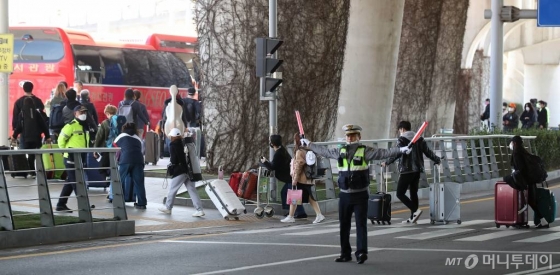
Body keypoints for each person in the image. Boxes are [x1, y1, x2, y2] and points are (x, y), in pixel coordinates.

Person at [305, 124, 409, 264]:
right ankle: (345, 254)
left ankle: (361, 253)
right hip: (344, 195)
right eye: (348, 135)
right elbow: (324, 151)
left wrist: (401, 150)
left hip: (360, 194)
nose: (350, 138)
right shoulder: (340, 150)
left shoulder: (365, 151)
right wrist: (309, 144)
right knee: (344, 225)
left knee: (361, 225)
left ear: (359, 137)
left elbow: (384, 152)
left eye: (353, 135)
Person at [382, 121, 441, 224]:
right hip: (417, 170)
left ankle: (415, 210)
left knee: (400, 193)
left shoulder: (402, 139)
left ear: (402, 129)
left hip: (406, 170)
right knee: (413, 193)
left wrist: (387, 162)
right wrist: (437, 159)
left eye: (400, 130)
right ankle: (413, 217)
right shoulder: (420, 139)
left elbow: (397, 153)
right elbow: (428, 152)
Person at [158, 128, 205, 217]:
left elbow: (174, 160)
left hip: (180, 171)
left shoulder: (173, 145)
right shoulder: (184, 143)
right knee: (192, 190)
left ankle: (168, 207)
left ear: (172, 136)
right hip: (188, 170)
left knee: (173, 189)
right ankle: (199, 209)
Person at [280, 133, 325, 224]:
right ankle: (318, 215)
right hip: (308, 179)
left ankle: (291, 216)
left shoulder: (299, 151)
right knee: (309, 197)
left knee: (294, 196)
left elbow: (299, 165)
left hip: (301, 179)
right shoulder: (308, 150)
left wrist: (295, 179)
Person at [505, 136, 549, 229]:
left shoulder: (517, 153)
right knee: (531, 201)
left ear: (515, 143)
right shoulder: (523, 151)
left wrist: (513, 176)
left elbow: (521, 169)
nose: (511, 144)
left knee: (529, 201)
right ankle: (541, 221)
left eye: (512, 142)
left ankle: (541, 221)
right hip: (530, 179)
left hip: (526, 180)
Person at [260, 135, 307, 218]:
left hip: (290, 177)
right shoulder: (282, 150)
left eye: (270, 141)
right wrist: (267, 162)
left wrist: (264, 162)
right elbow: (276, 164)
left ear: (272, 143)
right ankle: (291, 211)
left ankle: (300, 213)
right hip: (290, 176)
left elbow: (272, 167)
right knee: (285, 192)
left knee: (292, 195)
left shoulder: (278, 153)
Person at [55, 106, 91, 212]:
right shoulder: (71, 126)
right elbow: (61, 140)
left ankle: (60, 205)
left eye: (85, 112)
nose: (83, 114)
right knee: (76, 182)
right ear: (75, 114)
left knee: (70, 182)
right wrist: (64, 152)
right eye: (81, 112)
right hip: (71, 158)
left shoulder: (85, 126)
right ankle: (84, 205)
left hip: (82, 157)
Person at [12, 97, 51, 178]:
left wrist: (14, 136)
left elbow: (19, 126)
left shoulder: (22, 113)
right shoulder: (37, 112)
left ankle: (26, 171)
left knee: (23, 154)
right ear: (33, 103)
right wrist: (47, 136)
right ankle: (34, 171)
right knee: (32, 155)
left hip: (25, 138)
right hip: (35, 138)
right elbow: (43, 125)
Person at [114, 123, 148, 210]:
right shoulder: (138, 138)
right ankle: (142, 203)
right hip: (138, 160)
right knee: (139, 183)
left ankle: (118, 201)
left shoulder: (121, 135)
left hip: (125, 160)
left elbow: (114, 145)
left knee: (119, 181)